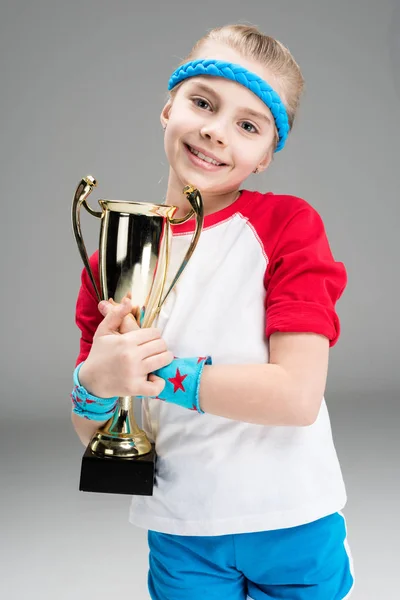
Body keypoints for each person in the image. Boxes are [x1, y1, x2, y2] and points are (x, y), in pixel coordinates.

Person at [71, 23, 355, 600]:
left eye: (248, 125)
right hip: (181, 526)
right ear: (168, 107)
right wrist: (93, 384)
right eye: (202, 102)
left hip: (295, 518)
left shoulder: (288, 228)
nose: (214, 131)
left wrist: (161, 375)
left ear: (267, 155)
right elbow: (94, 433)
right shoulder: (112, 256)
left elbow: (297, 397)